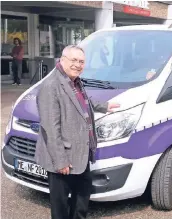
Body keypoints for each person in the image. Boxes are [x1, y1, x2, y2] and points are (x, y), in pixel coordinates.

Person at [35, 45, 120, 219]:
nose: (78, 65)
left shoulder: (74, 81)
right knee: (60, 208)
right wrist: (60, 161)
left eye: (81, 61)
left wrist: (103, 106)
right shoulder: (51, 86)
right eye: (73, 60)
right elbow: (51, 129)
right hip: (62, 158)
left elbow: (82, 102)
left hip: (80, 154)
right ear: (62, 60)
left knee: (81, 199)